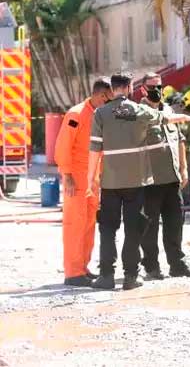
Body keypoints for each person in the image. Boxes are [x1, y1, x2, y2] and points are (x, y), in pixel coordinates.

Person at [87, 72, 190, 291]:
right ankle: (131, 277)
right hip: (136, 182)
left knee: (108, 229)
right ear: (129, 88)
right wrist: (185, 117)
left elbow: (95, 150)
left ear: (112, 89)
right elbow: (167, 119)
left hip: (110, 183)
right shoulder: (140, 111)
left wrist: (91, 179)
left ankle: (106, 276)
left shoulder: (101, 113)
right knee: (133, 229)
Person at [139, 73, 190, 280]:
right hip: (150, 180)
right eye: (153, 86)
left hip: (172, 179)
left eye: (160, 85)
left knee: (175, 224)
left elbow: (180, 141)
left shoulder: (168, 110)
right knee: (149, 226)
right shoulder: (138, 113)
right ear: (143, 89)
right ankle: (151, 267)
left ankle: (177, 264)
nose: (158, 89)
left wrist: (183, 169)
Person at [54, 78, 113, 287]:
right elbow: (63, 146)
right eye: (109, 99)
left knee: (88, 224)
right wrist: (67, 175)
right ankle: (72, 272)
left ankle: (82, 268)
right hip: (76, 177)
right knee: (74, 224)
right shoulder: (76, 114)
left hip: (92, 178)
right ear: (101, 95)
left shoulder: (100, 115)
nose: (110, 103)